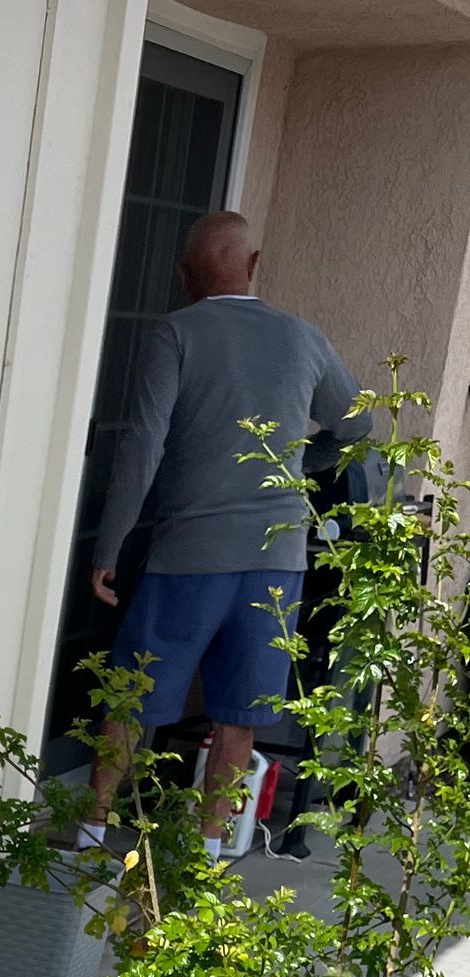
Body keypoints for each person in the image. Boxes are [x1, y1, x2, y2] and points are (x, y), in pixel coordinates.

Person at [86, 209, 361, 854]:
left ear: (184, 275)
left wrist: (109, 545)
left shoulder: (175, 332)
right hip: (277, 561)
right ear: (253, 265)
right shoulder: (303, 338)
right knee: (242, 711)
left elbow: (143, 445)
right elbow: (355, 425)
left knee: (132, 695)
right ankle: (209, 849)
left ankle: (91, 829)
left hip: (189, 553)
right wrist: (300, 466)